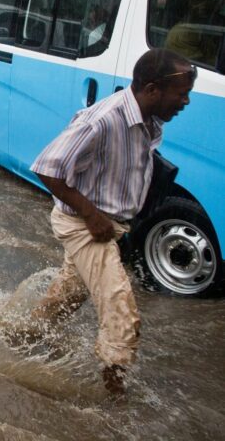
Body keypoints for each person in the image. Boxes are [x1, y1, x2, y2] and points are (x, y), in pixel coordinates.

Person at [25, 48, 195, 395]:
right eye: (181, 94)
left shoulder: (149, 122)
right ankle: (114, 406)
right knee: (122, 314)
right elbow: (47, 168)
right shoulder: (102, 119)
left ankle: (14, 337)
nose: (187, 102)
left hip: (110, 225)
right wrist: (92, 215)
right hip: (84, 225)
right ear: (152, 90)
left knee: (63, 301)